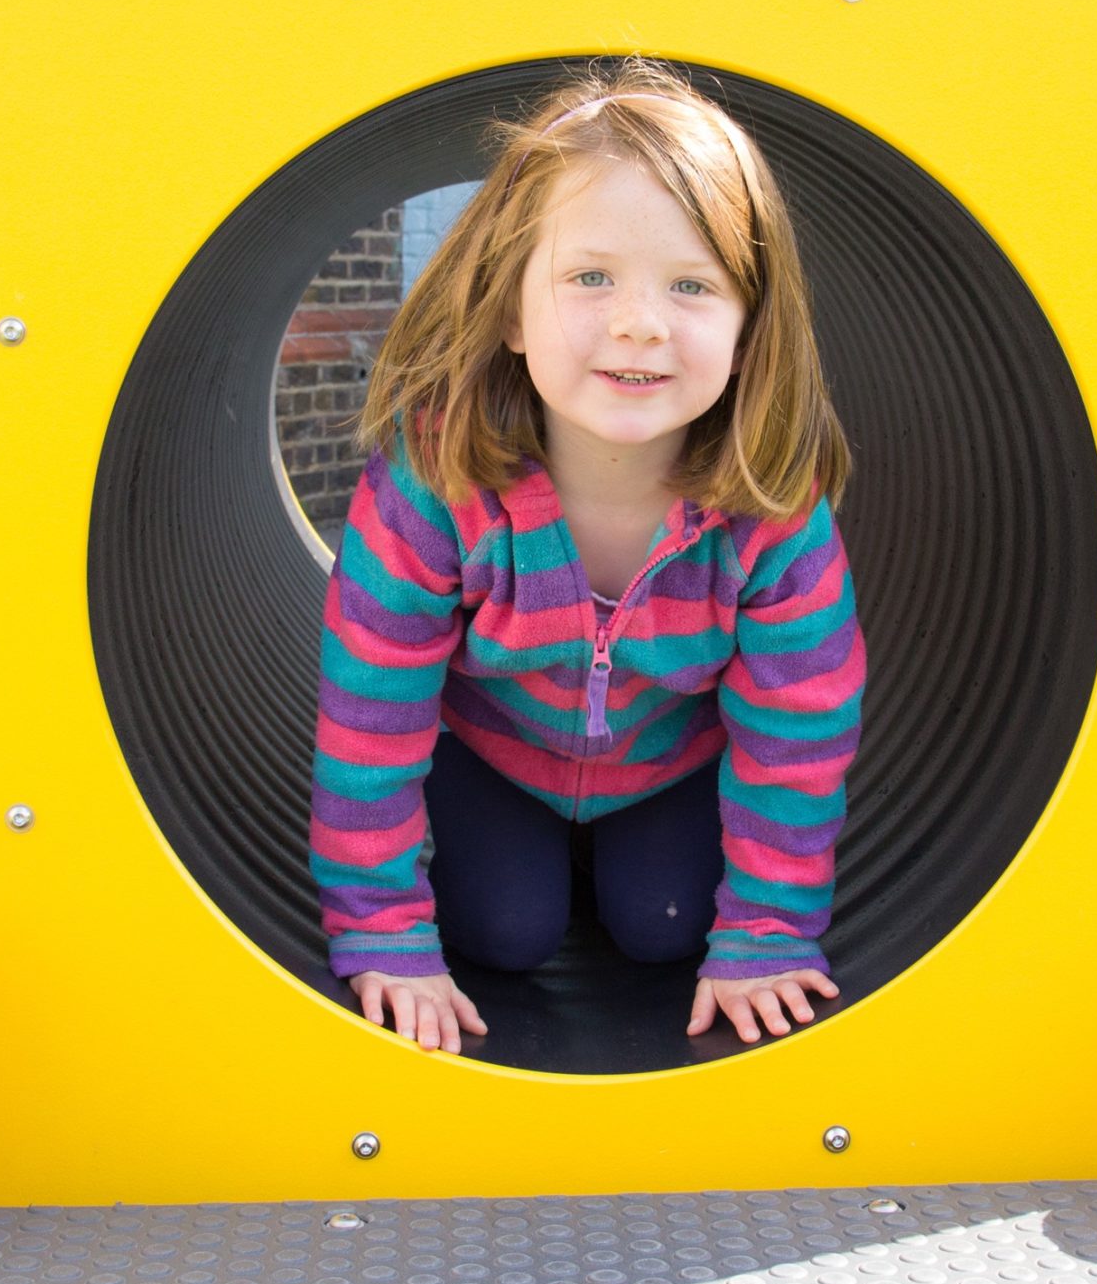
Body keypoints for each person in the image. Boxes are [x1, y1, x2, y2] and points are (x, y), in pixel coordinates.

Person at [307, 57, 866, 1055]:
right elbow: (369, 718)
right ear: (512, 309)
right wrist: (384, 932)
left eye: (691, 285)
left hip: (669, 764)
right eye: (590, 276)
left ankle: (630, 874)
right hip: (491, 759)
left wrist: (769, 934)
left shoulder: (771, 510)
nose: (637, 321)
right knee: (501, 933)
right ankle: (524, 868)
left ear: (749, 331)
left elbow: (798, 736)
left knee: (668, 933)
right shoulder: (438, 484)